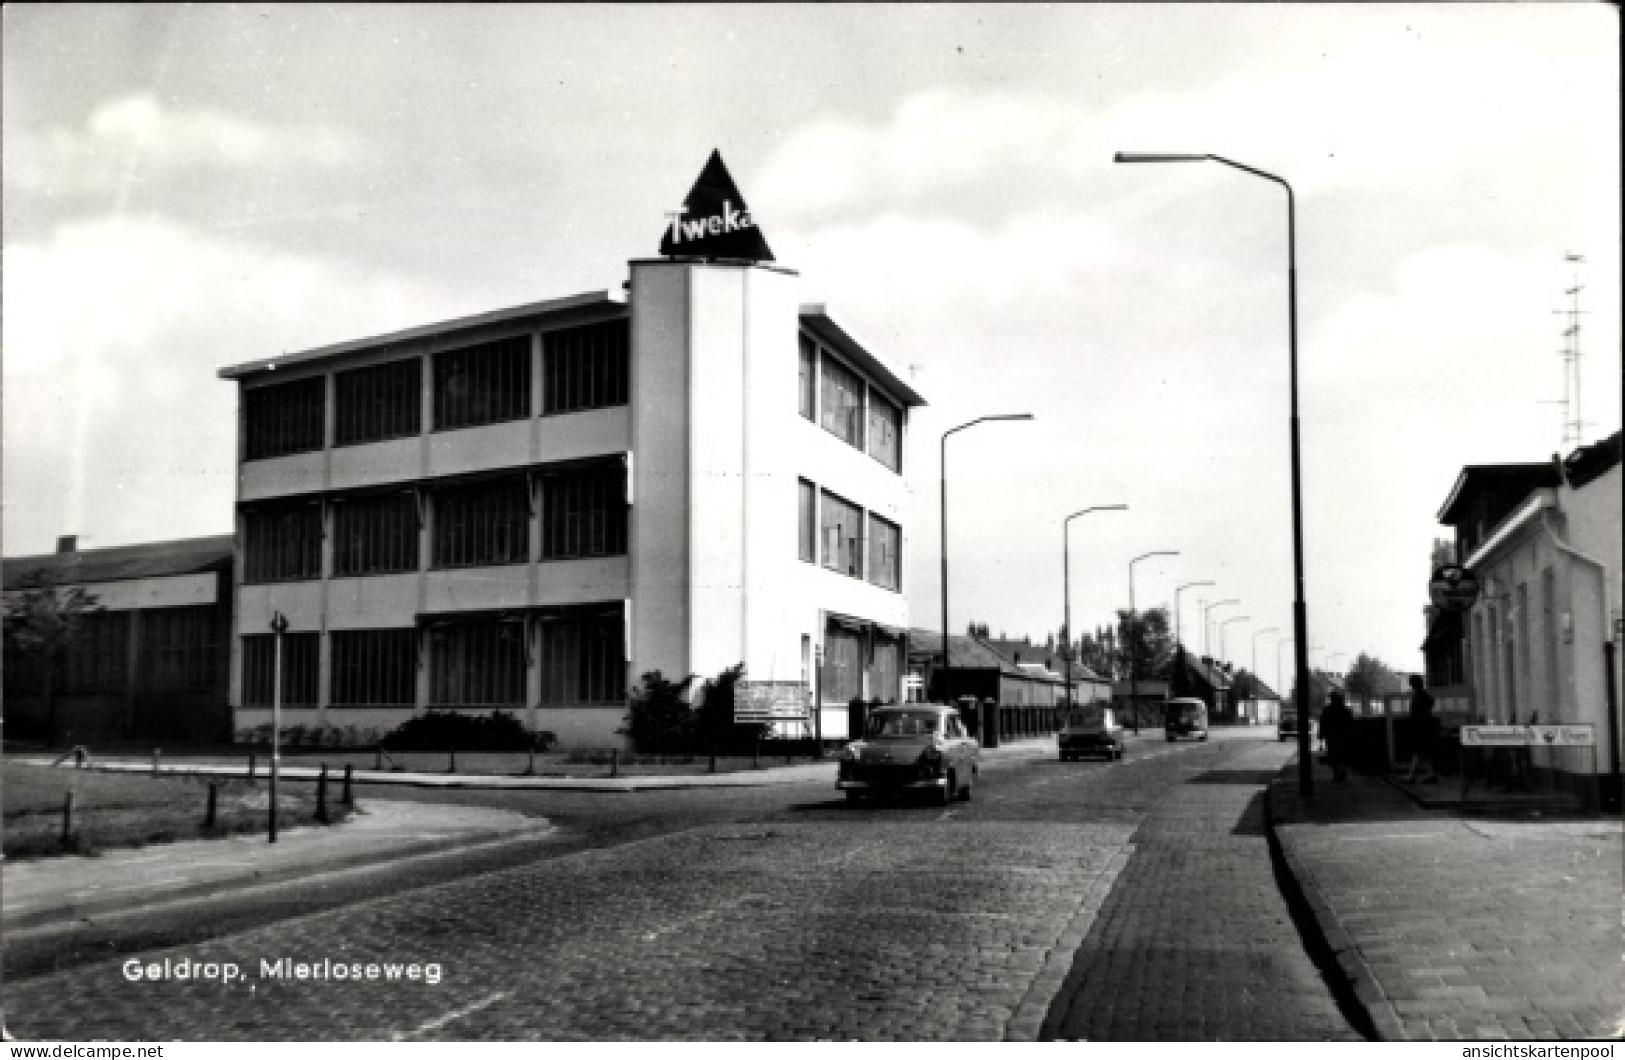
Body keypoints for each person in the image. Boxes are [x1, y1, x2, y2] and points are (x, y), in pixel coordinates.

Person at [1404, 674, 1439, 783]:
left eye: (1411, 682)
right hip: (1423, 727)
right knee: (1423, 752)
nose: (1410, 684)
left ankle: (1413, 775)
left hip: (1420, 728)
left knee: (1419, 751)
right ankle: (1428, 774)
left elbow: (1418, 713)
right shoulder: (1422, 695)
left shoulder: (1419, 696)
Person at [1318, 689, 1354, 783]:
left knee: (1333, 756)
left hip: (1332, 737)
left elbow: (1323, 723)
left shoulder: (1327, 710)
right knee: (1343, 755)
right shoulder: (1346, 711)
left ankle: (1337, 774)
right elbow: (1351, 724)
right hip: (1344, 737)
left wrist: (1321, 736)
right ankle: (1342, 772)